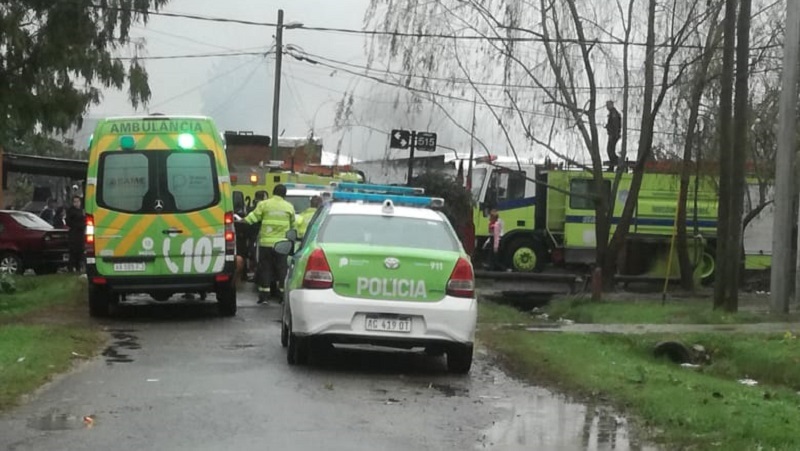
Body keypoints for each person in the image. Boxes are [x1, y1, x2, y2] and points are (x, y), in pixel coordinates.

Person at [243, 184, 295, 304]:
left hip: (265, 244)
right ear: (284, 194)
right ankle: (282, 296)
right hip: (282, 245)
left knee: (265, 268)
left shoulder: (264, 204)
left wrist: (240, 220)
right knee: (282, 269)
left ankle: (264, 296)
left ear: (273, 192)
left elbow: (252, 218)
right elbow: (293, 226)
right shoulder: (289, 207)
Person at [65, 196, 85, 273]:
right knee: (73, 251)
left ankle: (78, 267)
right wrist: (76, 225)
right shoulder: (71, 211)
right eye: (75, 202)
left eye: (78, 201)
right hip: (74, 233)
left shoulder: (82, 210)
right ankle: (71, 267)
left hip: (81, 233)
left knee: (80, 251)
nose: (76, 203)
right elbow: (68, 221)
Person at [605, 100, 622, 169]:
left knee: (610, 150)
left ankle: (617, 163)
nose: (607, 107)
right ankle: (615, 163)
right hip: (613, 134)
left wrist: (614, 134)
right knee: (610, 150)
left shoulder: (613, 113)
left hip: (613, 135)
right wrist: (608, 126)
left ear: (611, 105)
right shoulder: (612, 113)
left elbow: (615, 124)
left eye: (608, 105)